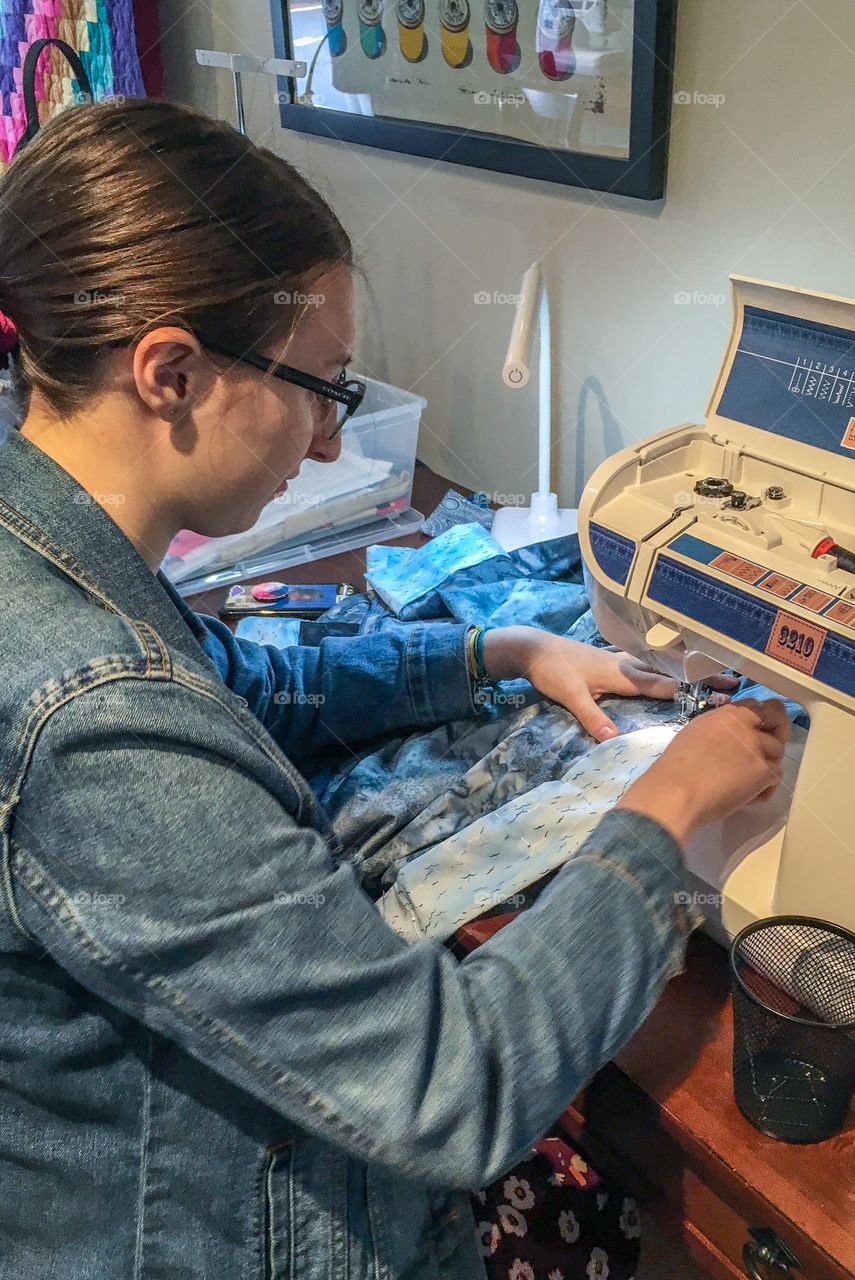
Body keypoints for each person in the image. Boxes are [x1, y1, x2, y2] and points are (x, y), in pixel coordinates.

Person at [0, 98, 788, 1279]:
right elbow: (452, 1089)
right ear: (171, 372)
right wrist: (665, 810)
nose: (330, 440)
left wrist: (497, 651)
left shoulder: (47, 549)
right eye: (322, 383)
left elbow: (241, 681)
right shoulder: (95, 721)